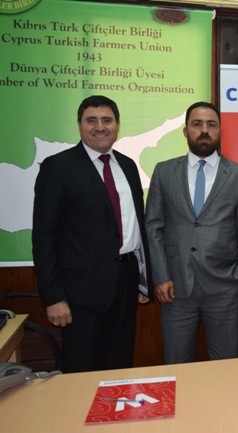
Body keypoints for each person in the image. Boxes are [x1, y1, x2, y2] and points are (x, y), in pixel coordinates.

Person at [32, 95, 151, 373]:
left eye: (107, 120)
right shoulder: (58, 167)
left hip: (125, 282)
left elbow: (134, 224)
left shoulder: (128, 166)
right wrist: (53, 297)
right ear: (79, 125)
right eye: (91, 120)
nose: (100, 127)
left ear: (118, 125)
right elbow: (44, 236)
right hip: (79, 292)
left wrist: (143, 280)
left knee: (119, 366)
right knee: (80, 369)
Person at [145, 101, 238, 364]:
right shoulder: (163, 171)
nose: (204, 130)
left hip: (225, 288)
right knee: (177, 364)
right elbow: (153, 227)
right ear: (186, 131)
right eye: (197, 124)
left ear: (220, 131)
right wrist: (161, 276)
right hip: (174, 288)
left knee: (226, 366)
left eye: (211, 125)